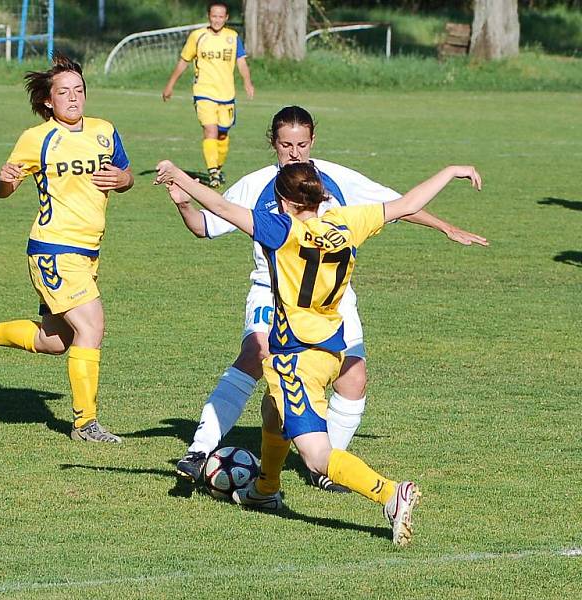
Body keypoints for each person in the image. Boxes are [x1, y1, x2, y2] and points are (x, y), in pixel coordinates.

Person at [155, 159, 483, 546]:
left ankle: (390, 494)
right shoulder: (347, 221)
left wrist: (179, 179)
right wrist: (448, 171)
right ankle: (265, 488)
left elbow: (224, 209)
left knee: (316, 456)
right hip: (332, 350)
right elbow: (408, 203)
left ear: (283, 200)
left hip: (296, 356)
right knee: (272, 411)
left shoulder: (282, 230)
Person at [0, 53, 134, 443]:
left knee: (58, 341)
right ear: (49, 101)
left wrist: (122, 179)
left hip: (89, 252)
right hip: (53, 249)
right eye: (64, 92)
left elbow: (126, 175)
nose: (73, 98)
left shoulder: (105, 130)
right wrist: (2, 179)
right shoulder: (36, 139)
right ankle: (85, 424)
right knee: (92, 327)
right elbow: (4, 190)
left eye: (79, 90)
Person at [162, 1, 254, 189]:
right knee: (210, 130)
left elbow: (241, 63)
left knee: (222, 134)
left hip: (227, 94)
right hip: (203, 92)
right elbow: (183, 61)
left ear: (226, 18)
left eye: (221, 16)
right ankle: (212, 171)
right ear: (208, 16)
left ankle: (217, 168)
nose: (217, 20)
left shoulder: (233, 37)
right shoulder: (198, 36)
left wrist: (247, 82)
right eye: (214, 16)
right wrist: (170, 85)